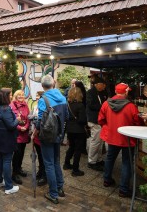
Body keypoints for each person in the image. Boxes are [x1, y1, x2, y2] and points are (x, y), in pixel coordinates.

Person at [98, 83, 143, 198]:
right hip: (127, 138)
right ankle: (123, 189)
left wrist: (109, 127)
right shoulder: (131, 106)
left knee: (110, 158)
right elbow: (137, 122)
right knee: (127, 162)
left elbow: (101, 120)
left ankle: (106, 180)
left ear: (115, 90)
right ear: (126, 92)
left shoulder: (106, 104)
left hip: (112, 136)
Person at [34, 75, 68, 204]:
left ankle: (53, 193)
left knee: (48, 163)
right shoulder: (63, 98)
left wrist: (35, 133)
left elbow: (40, 121)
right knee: (56, 161)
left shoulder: (43, 99)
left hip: (47, 136)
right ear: (53, 83)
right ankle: (60, 188)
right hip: (59, 134)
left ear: (42, 86)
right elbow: (67, 117)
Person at [0, 88, 23, 195]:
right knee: (6, 161)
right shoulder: (6, 109)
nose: (11, 96)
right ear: (6, 96)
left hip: (0, 139)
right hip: (6, 140)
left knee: (1, 159)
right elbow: (11, 125)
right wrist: (17, 120)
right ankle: (9, 187)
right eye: (10, 95)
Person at [63, 87, 87, 176]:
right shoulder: (80, 105)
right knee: (78, 150)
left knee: (71, 147)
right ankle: (75, 170)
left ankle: (66, 163)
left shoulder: (67, 104)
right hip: (79, 130)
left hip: (69, 129)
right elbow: (82, 120)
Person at [86, 77, 108, 171]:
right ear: (97, 84)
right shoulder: (90, 93)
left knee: (100, 141)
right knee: (95, 141)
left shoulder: (102, 93)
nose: (104, 87)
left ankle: (98, 159)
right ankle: (91, 161)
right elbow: (91, 105)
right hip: (94, 120)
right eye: (102, 85)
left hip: (100, 120)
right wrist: (103, 107)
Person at [10, 89, 30, 185]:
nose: (21, 97)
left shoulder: (26, 105)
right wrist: (19, 127)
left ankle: (19, 168)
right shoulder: (12, 106)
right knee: (17, 153)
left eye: (22, 95)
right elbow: (11, 120)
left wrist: (26, 127)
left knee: (22, 152)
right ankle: (14, 173)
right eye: (19, 95)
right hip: (16, 134)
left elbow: (28, 118)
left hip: (24, 133)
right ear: (15, 96)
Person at [29, 90, 47, 186]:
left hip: (41, 135)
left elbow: (41, 122)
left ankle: (44, 176)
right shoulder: (36, 106)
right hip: (36, 135)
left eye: (38, 96)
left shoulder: (44, 106)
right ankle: (40, 171)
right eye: (36, 96)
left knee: (43, 157)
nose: (37, 98)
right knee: (40, 156)